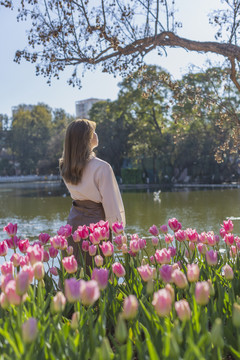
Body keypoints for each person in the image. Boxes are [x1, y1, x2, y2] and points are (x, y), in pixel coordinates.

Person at [59, 118, 125, 267]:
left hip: (73, 223)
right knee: (97, 272)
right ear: (86, 138)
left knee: (74, 270)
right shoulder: (102, 167)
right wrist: (120, 233)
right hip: (97, 225)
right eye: (93, 131)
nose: (96, 134)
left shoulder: (65, 166)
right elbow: (111, 203)